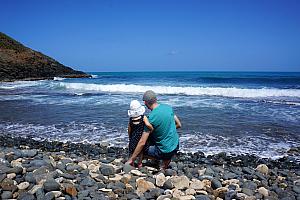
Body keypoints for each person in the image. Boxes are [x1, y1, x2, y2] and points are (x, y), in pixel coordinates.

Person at [127, 90, 182, 169]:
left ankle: (160, 159)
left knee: (140, 146)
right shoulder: (168, 107)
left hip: (164, 151)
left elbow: (142, 142)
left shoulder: (151, 118)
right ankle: (165, 162)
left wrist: (131, 159)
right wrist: (165, 130)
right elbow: (179, 124)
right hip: (175, 146)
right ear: (156, 99)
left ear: (145, 103)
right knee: (154, 134)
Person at [127, 100, 154, 168]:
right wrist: (151, 129)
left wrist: (130, 137)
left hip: (133, 138)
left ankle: (132, 163)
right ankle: (139, 163)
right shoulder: (143, 118)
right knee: (141, 151)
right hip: (141, 138)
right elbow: (148, 125)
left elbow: (129, 129)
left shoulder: (131, 119)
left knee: (132, 151)